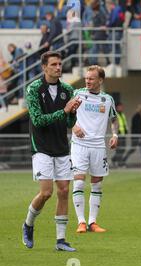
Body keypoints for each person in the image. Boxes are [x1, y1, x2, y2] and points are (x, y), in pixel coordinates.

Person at [21, 51, 81, 252]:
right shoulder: (34, 89)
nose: (58, 67)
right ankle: (28, 224)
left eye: (60, 63)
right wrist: (63, 111)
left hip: (61, 147)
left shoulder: (67, 89)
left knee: (64, 191)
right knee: (46, 192)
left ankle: (61, 240)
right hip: (42, 147)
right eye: (54, 64)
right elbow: (37, 121)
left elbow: (70, 123)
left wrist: (73, 113)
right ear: (44, 67)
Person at [71, 65, 118, 233]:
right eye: (86, 78)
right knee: (79, 180)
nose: (87, 81)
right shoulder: (78, 94)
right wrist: (73, 126)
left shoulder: (107, 99)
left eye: (91, 78)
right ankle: (81, 222)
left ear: (100, 80)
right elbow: (66, 113)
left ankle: (92, 222)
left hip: (98, 146)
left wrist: (115, 135)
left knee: (97, 184)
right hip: (79, 144)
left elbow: (114, 119)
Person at [112, 101, 128, 167]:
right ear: (117, 107)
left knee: (122, 149)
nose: (122, 108)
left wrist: (126, 130)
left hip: (123, 134)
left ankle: (115, 160)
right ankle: (118, 162)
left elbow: (124, 123)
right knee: (119, 149)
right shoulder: (116, 114)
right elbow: (114, 123)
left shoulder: (122, 114)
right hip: (118, 135)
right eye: (120, 106)